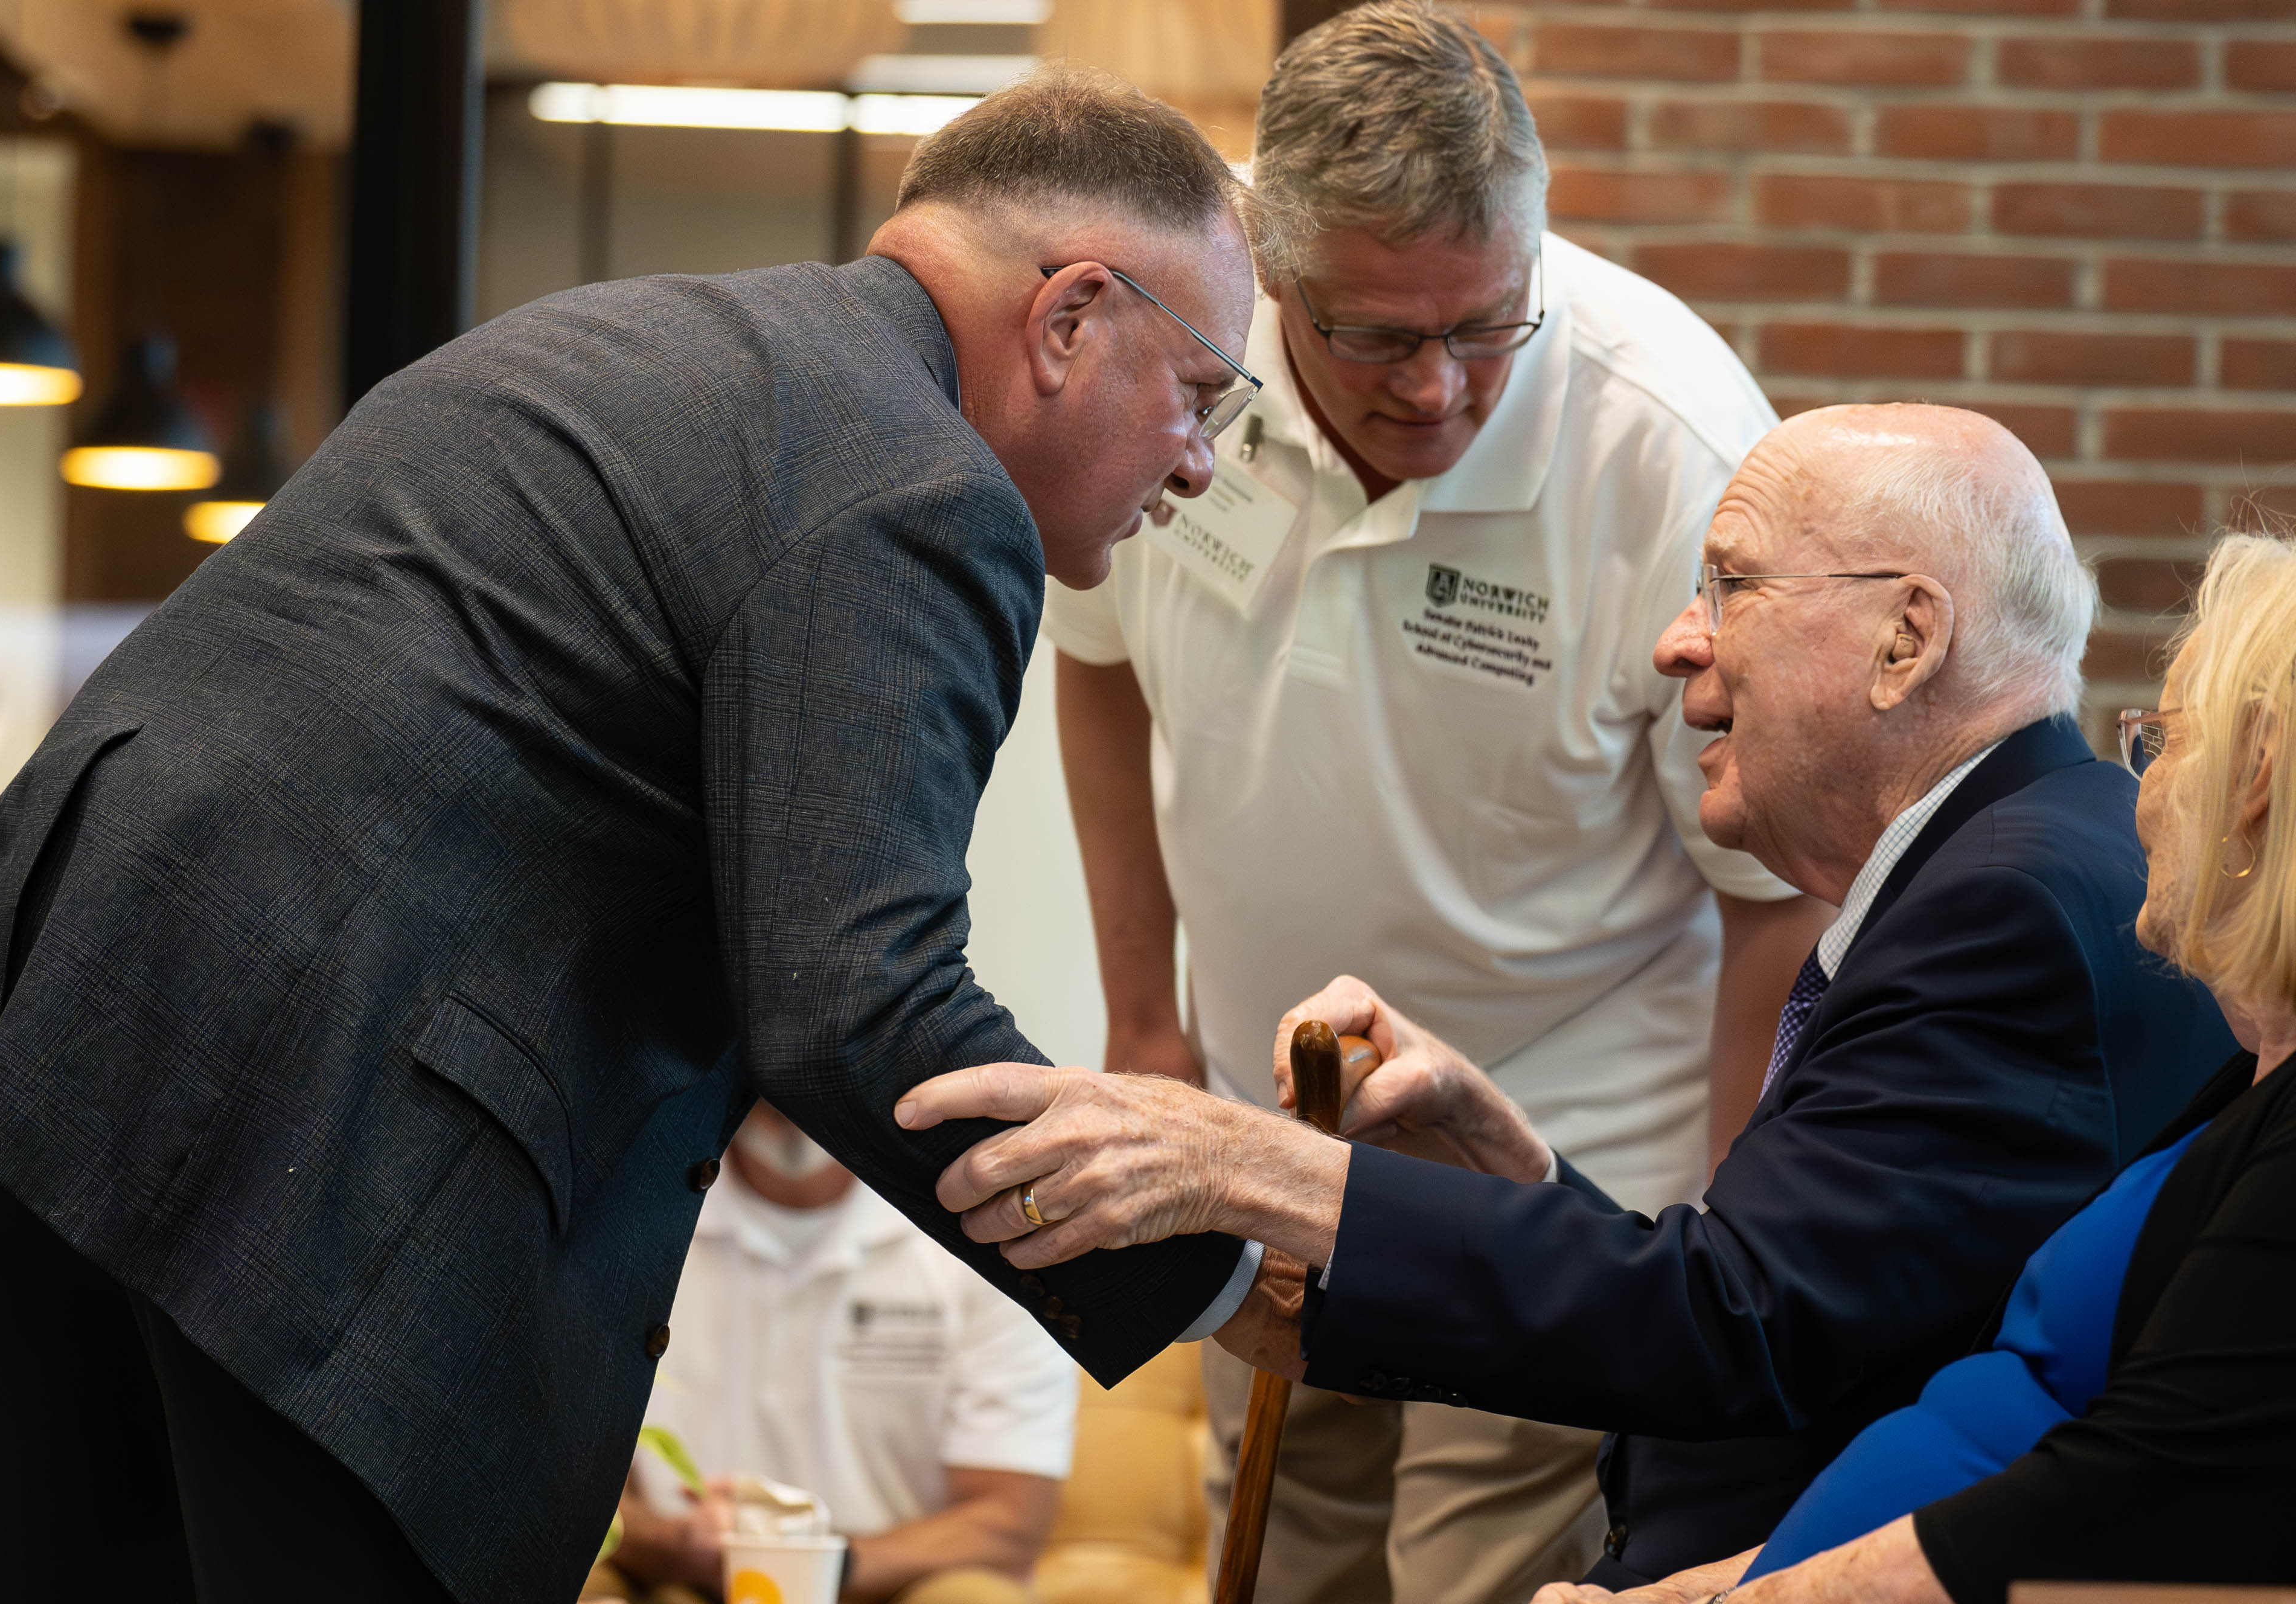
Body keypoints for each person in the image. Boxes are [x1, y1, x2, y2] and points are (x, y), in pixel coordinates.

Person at [0, 70, 1276, 1603]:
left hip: (53, 1028)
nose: (1199, 463)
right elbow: (857, 1006)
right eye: (1202, 392)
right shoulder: (919, 484)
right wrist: (1217, 1261)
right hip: (310, 1156)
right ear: (1072, 314)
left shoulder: (638, 336)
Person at [895, 403, 2240, 1586]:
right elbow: (1818, 1301)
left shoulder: (2008, 905)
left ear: (1907, 637)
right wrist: (1510, 1162)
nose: (1675, 643)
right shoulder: (2002, 863)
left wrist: (1261, 1167)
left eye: (1730, 586)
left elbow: (1737, 1329)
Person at [1041, 8, 1824, 1597]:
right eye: (1379, 337)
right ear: (1270, 276)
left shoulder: (1667, 447)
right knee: (1284, 1564)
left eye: (1488, 324)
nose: (1442, 385)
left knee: (1484, 1583)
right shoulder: (1185, 345)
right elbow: (1098, 661)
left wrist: (1722, 1241)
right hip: (1274, 1135)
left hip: (1563, 1166)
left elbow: (1774, 895)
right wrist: (1144, 1020)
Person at [1530, 530, 2296, 1604]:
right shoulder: (2253, 1082)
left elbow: (2139, 1496)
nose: (2139, 793)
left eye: (2162, 741)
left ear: (2256, 781)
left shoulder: (2003, 902)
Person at [600, 1103, 1075, 1604]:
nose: (788, 1069)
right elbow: (568, 1488)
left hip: (898, 1583)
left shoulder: (989, 1240)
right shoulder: (625, 1228)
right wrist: (673, 1544)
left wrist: (815, 1564)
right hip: (682, 1578)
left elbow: (1008, 1524)